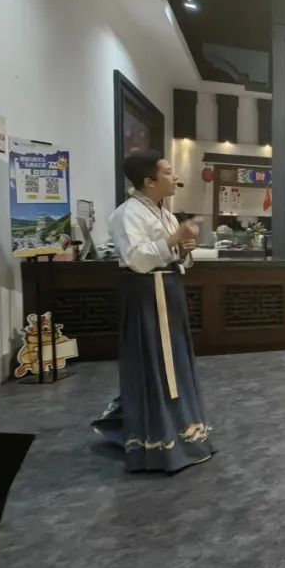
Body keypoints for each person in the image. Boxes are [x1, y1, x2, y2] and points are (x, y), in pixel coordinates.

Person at [104, 149, 214, 473]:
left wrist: (184, 248)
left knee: (175, 363)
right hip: (147, 297)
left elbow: (175, 257)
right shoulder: (127, 214)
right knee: (155, 364)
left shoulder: (165, 213)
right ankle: (157, 442)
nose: (174, 176)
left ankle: (186, 433)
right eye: (167, 171)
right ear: (149, 180)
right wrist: (174, 240)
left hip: (169, 293)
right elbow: (137, 259)